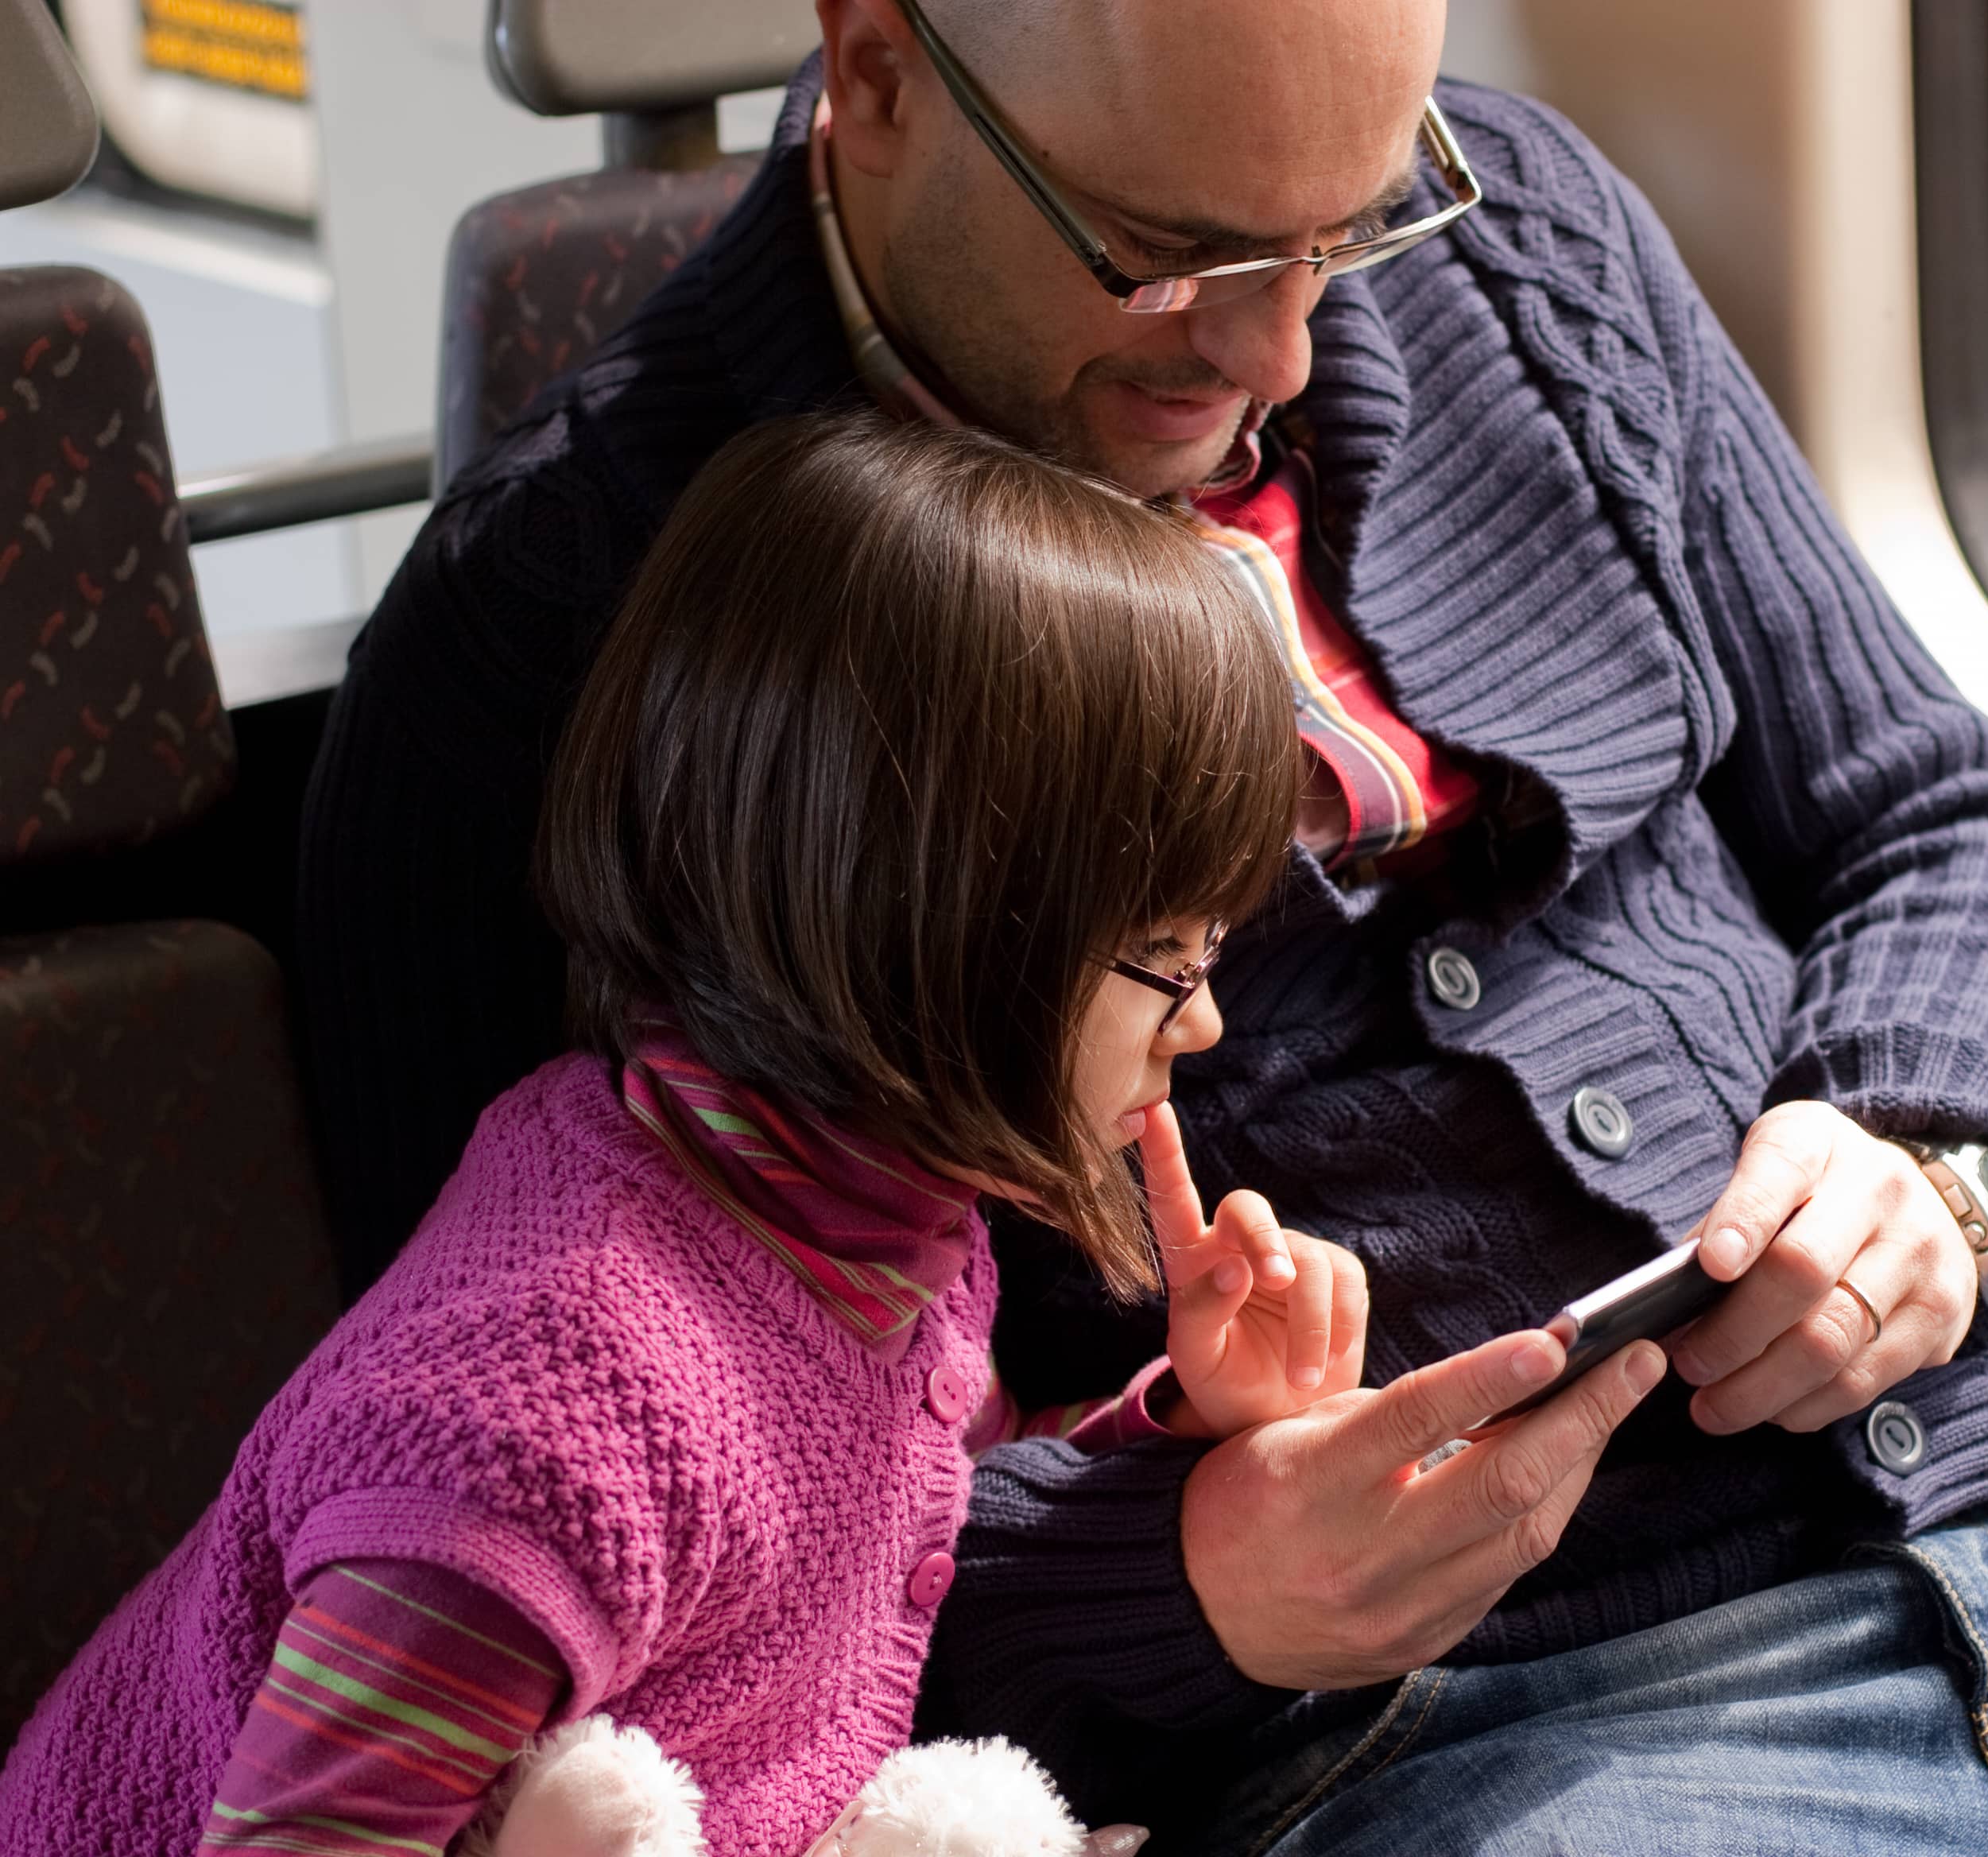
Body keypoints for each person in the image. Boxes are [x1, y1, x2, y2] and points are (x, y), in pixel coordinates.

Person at [291, 2, 1988, 1850]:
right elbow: (542, 1505)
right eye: (1173, 260)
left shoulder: (1527, 248)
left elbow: (1941, 819)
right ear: (871, 65)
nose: (1278, 356)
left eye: (1351, 225)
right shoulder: (560, 641)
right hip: (1454, 1750)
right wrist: (1200, 1589)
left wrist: (1935, 1171)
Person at [0, 414, 1443, 1855]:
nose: (1202, 1026)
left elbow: (901, 1506)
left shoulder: (859, 1215)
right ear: (926, 931)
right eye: (1166, 960)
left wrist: (1174, 1419)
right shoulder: (541, 1428)